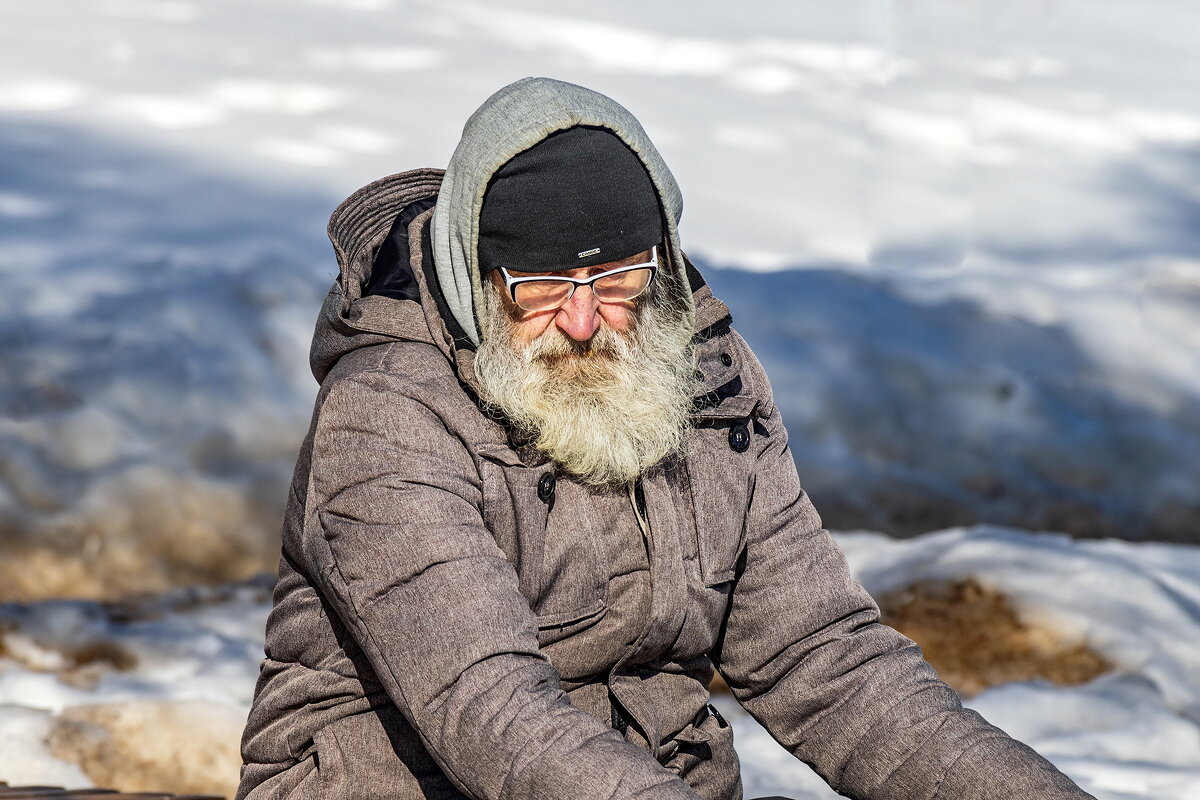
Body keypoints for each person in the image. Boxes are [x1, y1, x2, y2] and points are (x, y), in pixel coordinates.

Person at [235, 77, 1095, 800]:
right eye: (538, 288)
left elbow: (827, 660)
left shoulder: (706, 379)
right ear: (477, 274)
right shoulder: (386, 413)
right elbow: (490, 712)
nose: (580, 320)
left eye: (615, 281)